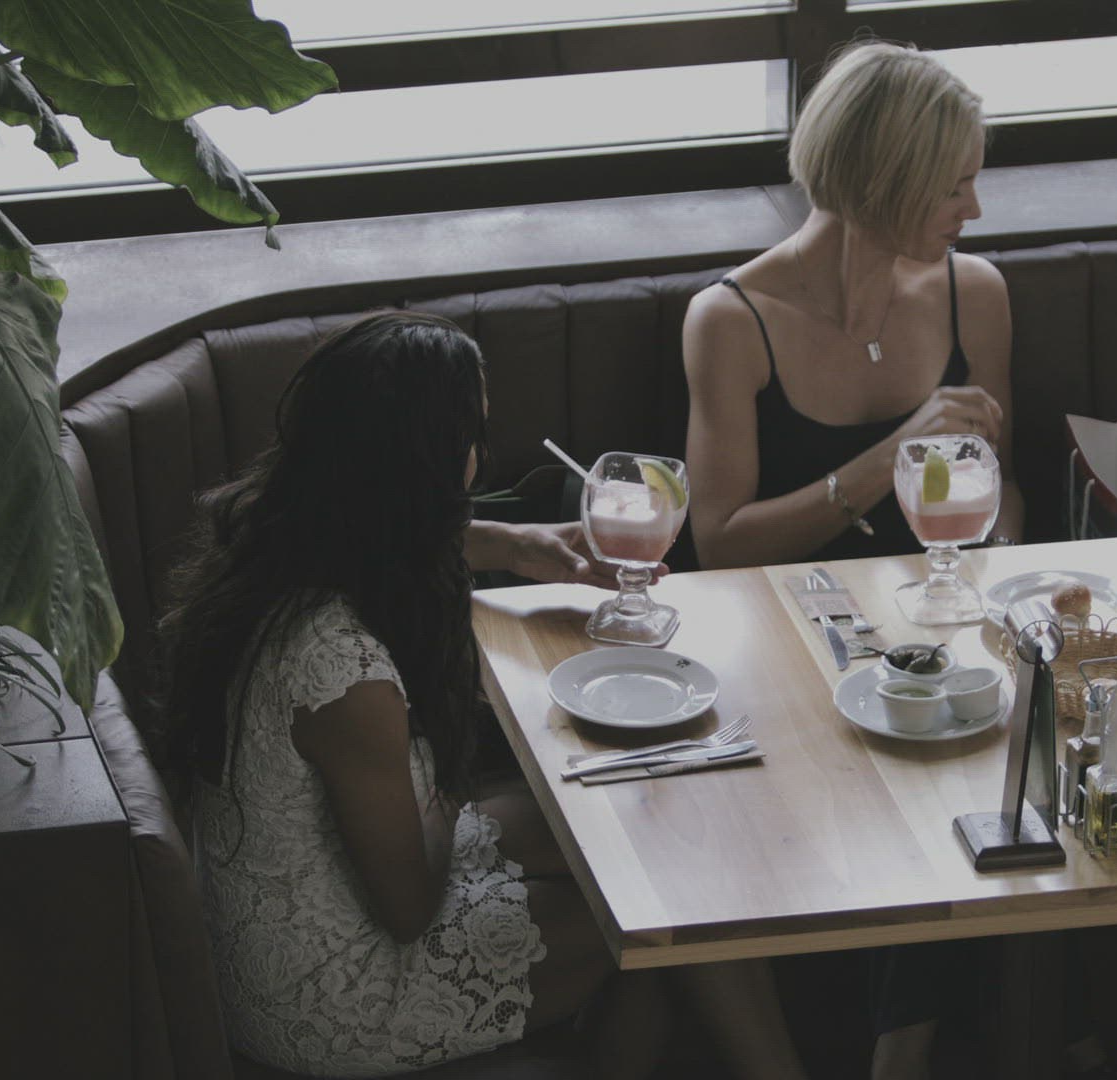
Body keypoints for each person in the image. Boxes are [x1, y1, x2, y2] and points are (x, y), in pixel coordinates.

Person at [159, 312, 809, 1079]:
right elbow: (408, 909)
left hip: (308, 895)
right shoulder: (339, 669)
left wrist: (513, 542)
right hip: (333, 993)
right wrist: (440, 736)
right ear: (423, 465)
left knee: (636, 831)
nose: (477, 457)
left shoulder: (274, 534)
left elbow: (388, 527)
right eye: (469, 440)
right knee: (675, 899)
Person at [683, 39, 1023, 571]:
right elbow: (719, 547)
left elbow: (1002, 485)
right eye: (954, 189)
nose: (974, 209)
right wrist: (897, 453)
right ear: (883, 182)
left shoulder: (975, 294)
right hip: (789, 611)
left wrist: (1001, 577)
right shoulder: (730, 322)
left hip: (943, 609)